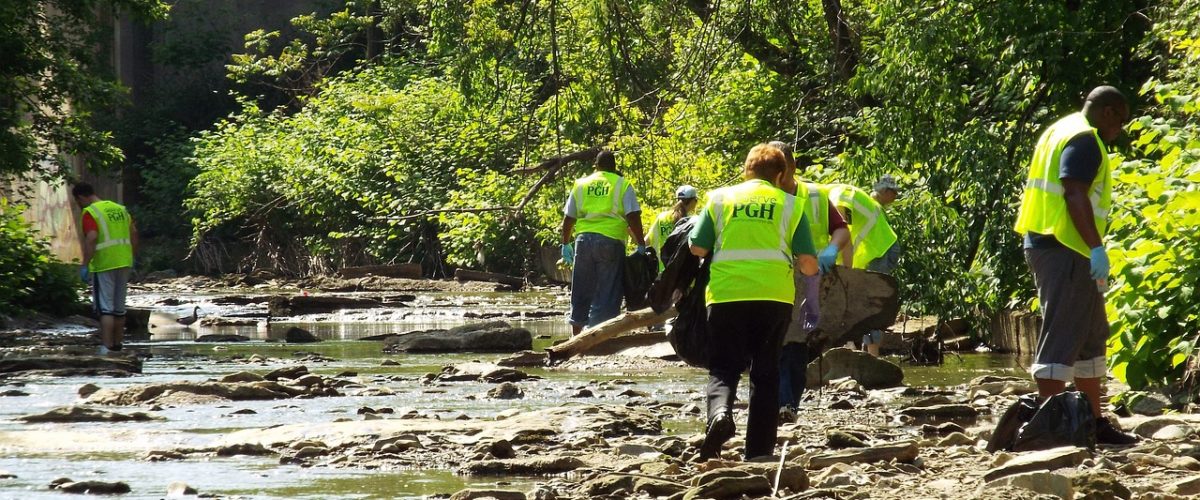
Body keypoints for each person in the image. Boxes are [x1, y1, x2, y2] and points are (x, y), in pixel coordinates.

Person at [1013, 85, 1137, 445]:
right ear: (1109, 112)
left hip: (1063, 247)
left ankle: (1093, 421)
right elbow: (1073, 192)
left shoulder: (1060, 128)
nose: (1120, 130)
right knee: (1063, 334)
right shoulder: (1084, 140)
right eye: (1121, 121)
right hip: (1065, 247)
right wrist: (1096, 247)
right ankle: (1051, 427)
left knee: (1090, 335)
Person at [688, 144, 818, 461]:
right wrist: (812, 293)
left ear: (747, 170)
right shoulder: (791, 205)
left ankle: (720, 415)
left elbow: (698, 248)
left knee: (723, 368)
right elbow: (808, 262)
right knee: (766, 372)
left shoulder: (719, 199)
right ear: (780, 174)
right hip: (774, 299)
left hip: (725, 295)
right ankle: (758, 452)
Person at [769, 141, 851, 417]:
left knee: (797, 344)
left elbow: (841, 230)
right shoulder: (762, 195)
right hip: (772, 277)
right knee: (777, 341)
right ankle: (781, 402)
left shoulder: (814, 195)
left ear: (791, 167)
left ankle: (787, 403)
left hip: (809, 281)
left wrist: (831, 249)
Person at [560, 150, 647, 335]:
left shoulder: (581, 184)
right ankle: (600, 337)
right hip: (610, 241)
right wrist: (641, 243)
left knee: (581, 288)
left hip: (583, 241)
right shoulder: (622, 185)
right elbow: (633, 216)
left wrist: (565, 243)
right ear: (614, 167)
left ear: (596, 166)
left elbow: (569, 218)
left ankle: (576, 336)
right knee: (607, 292)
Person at [828, 179, 900, 356]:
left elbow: (844, 234)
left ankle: (871, 357)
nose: (895, 197)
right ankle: (862, 353)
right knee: (859, 302)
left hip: (879, 252)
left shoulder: (837, 197)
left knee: (869, 304)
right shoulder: (836, 197)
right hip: (877, 251)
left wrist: (846, 271)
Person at [72, 182, 138, 355]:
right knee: (119, 307)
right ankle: (118, 345)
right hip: (124, 261)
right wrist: (132, 255)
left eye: (78, 203)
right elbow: (134, 232)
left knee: (106, 307)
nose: (79, 206)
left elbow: (92, 238)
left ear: (80, 197)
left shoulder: (90, 212)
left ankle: (106, 347)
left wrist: (86, 264)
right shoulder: (120, 209)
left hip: (104, 263)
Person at [647, 185, 700, 271]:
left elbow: (647, 241)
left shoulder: (662, 217)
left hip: (663, 271)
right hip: (684, 272)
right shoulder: (694, 221)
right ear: (693, 201)